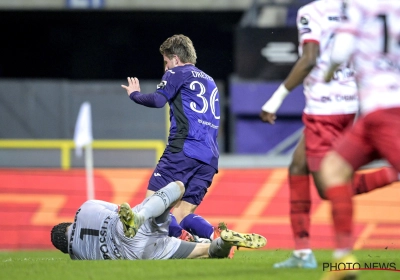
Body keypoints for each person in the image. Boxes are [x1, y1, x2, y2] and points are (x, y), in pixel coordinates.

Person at [259, 0, 399, 269]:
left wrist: (274, 100)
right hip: (354, 103)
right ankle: (306, 253)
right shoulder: (368, 7)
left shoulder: (314, 11)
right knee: (298, 166)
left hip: (326, 108)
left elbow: (311, 58)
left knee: (328, 185)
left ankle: (392, 175)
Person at [320, 0, 400, 279]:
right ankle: (344, 259)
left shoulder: (360, 4)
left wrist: (329, 70)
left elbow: (342, 46)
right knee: (333, 168)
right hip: (375, 113)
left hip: (386, 108)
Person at [120, 35, 225, 246]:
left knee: (151, 206)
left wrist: (135, 95)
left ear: (175, 59)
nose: (166, 68)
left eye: (166, 62)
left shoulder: (177, 72)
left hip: (183, 150)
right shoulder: (209, 80)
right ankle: (217, 237)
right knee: (182, 215)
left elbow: (159, 101)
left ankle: (185, 239)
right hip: (210, 157)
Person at [50, 181, 267, 260]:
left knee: (206, 252)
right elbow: (118, 210)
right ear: (68, 224)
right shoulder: (85, 208)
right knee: (178, 188)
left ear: (64, 249)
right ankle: (141, 217)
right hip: (128, 229)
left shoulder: (77, 256)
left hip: (136, 254)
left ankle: (222, 243)